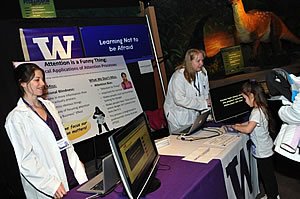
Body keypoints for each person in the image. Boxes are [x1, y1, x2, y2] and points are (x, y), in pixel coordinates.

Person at [4, 63, 88, 199]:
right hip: (49, 183)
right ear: (23, 83)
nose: (42, 83)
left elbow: (64, 140)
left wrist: (77, 164)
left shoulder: (49, 105)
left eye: (42, 79)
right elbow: (26, 160)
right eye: (37, 80)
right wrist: (51, 185)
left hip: (70, 172)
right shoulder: (16, 118)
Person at [231, 80, 279, 199]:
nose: (245, 101)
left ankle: (273, 196)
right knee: (268, 176)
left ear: (251, 96)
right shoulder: (261, 108)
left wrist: (236, 127)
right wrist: (241, 124)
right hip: (266, 147)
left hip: (263, 151)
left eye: (245, 98)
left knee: (267, 177)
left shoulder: (255, 112)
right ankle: (272, 195)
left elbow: (248, 129)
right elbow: (251, 123)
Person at [164, 48, 210, 133]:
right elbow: (179, 100)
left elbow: (205, 93)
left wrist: (207, 112)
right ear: (190, 61)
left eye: (202, 60)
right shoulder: (178, 77)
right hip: (178, 118)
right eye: (198, 61)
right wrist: (203, 103)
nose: (202, 63)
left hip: (194, 116)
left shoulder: (202, 72)